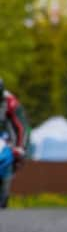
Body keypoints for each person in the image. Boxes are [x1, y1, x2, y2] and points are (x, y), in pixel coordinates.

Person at [0, 78, 29, 208]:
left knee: (10, 158)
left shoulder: (11, 102)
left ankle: (3, 194)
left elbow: (22, 127)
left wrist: (20, 147)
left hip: (6, 139)